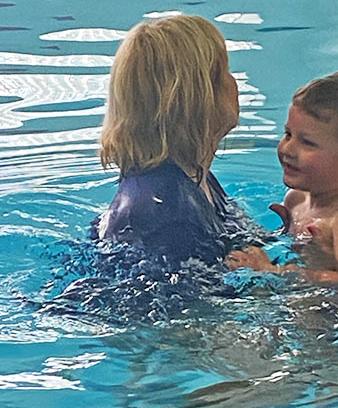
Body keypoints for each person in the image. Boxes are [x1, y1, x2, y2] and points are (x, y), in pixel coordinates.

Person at [93, 14, 250, 265]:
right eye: (225, 71)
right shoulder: (170, 211)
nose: (234, 83)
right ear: (200, 97)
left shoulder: (195, 180)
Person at [227, 71, 338, 282]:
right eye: (288, 134)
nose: (288, 149)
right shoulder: (295, 198)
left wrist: (271, 270)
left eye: (308, 143)